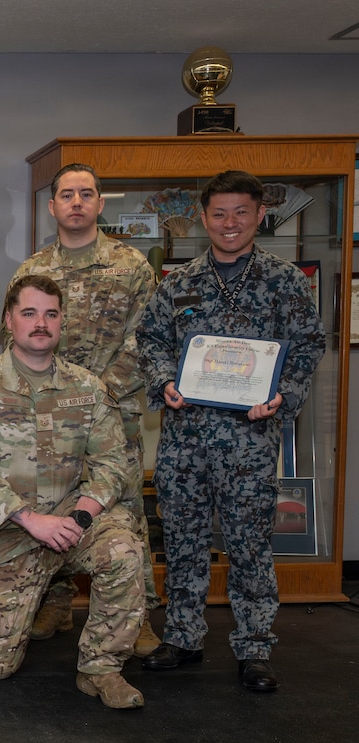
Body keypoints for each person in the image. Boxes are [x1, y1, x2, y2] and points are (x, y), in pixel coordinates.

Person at [137, 170, 325, 692]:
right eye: (219, 213)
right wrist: (164, 381)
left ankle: (255, 647)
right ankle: (183, 637)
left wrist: (283, 394)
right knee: (182, 541)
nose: (229, 223)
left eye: (241, 212)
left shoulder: (285, 281)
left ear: (260, 214)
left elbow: (309, 344)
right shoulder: (178, 282)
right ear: (203, 218)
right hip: (185, 438)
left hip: (250, 439)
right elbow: (150, 339)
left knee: (249, 545)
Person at [0, 274, 146, 709]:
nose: (41, 323)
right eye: (30, 313)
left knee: (123, 550)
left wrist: (80, 517)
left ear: (61, 321)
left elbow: (112, 464)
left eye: (51, 314)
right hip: (5, 534)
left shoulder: (87, 388)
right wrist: (31, 520)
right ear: (8, 320)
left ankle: (102, 668)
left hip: (71, 523)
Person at [11, 164, 161, 655]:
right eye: (67, 195)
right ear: (52, 206)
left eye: (86, 194)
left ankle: (136, 616)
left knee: (125, 510)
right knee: (50, 502)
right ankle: (56, 602)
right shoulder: (33, 270)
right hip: (47, 416)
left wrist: (98, 394)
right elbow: (18, 340)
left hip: (113, 411)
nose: (76, 202)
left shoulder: (131, 266)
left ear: (99, 203)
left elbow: (147, 339)